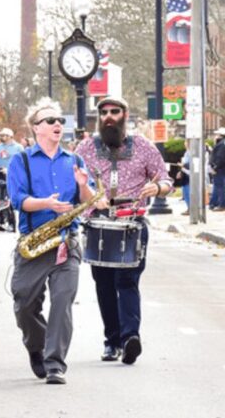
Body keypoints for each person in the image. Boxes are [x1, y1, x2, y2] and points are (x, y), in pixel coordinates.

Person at [76, 96, 172, 365]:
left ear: (125, 115)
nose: (109, 116)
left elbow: (165, 178)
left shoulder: (143, 146)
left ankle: (131, 337)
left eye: (114, 111)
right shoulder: (85, 148)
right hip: (99, 223)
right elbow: (75, 180)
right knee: (104, 284)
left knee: (127, 280)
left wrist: (158, 188)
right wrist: (90, 194)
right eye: (104, 112)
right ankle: (112, 340)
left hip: (132, 223)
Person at [7, 97, 96, 385]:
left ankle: (55, 363)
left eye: (59, 120)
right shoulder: (20, 160)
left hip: (66, 241)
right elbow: (18, 200)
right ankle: (38, 346)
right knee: (24, 303)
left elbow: (90, 200)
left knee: (62, 300)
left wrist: (83, 186)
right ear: (36, 128)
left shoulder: (75, 160)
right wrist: (45, 203)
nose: (57, 124)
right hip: (34, 243)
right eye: (50, 120)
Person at [211, 128, 225, 211]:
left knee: (220, 187)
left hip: (219, 169)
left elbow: (220, 157)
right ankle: (215, 203)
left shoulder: (221, 144)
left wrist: (215, 167)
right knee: (218, 187)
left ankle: (221, 204)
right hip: (220, 168)